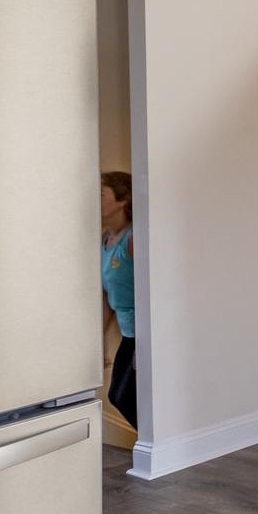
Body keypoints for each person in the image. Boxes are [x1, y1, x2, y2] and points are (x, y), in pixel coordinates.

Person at [100, 171, 137, 425]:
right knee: (118, 395)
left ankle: (156, 450)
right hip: (128, 331)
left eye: (101, 195)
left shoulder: (133, 239)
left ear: (123, 200)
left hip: (144, 333)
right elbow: (104, 295)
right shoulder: (105, 241)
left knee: (123, 395)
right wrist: (98, 340)